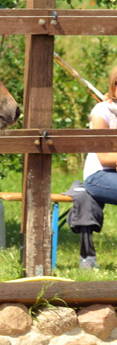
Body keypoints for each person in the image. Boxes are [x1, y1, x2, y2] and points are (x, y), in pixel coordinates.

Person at [77, 65, 117, 270]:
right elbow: (105, 158)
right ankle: (87, 259)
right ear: (115, 87)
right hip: (99, 175)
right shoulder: (101, 112)